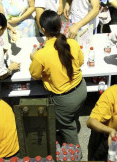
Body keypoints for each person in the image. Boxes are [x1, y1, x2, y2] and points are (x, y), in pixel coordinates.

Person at [30, 10, 87, 145]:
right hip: (81, 89)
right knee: (73, 114)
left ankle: (75, 156)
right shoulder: (72, 43)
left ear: (43, 30)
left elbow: (35, 75)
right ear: (60, 26)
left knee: (67, 126)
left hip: (65, 99)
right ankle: (71, 119)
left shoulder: (41, 55)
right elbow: (80, 62)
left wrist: (34, 58)